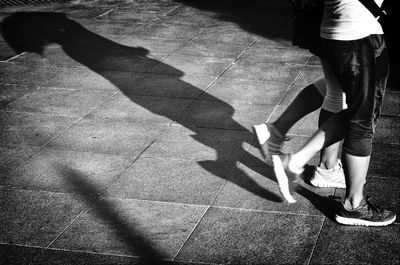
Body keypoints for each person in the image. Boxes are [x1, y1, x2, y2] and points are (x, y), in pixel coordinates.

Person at [271, 0, 396, 226]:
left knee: (357, 111)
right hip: (356, 33)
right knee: (362, 121)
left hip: (340, 29)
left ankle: (300, 162)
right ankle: (354, 205)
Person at [254, 0, 347, 204]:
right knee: (341, 91)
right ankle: (327, 167)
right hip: (337, 14)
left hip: (319, 9)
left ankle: (277, 131)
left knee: (336, 85)